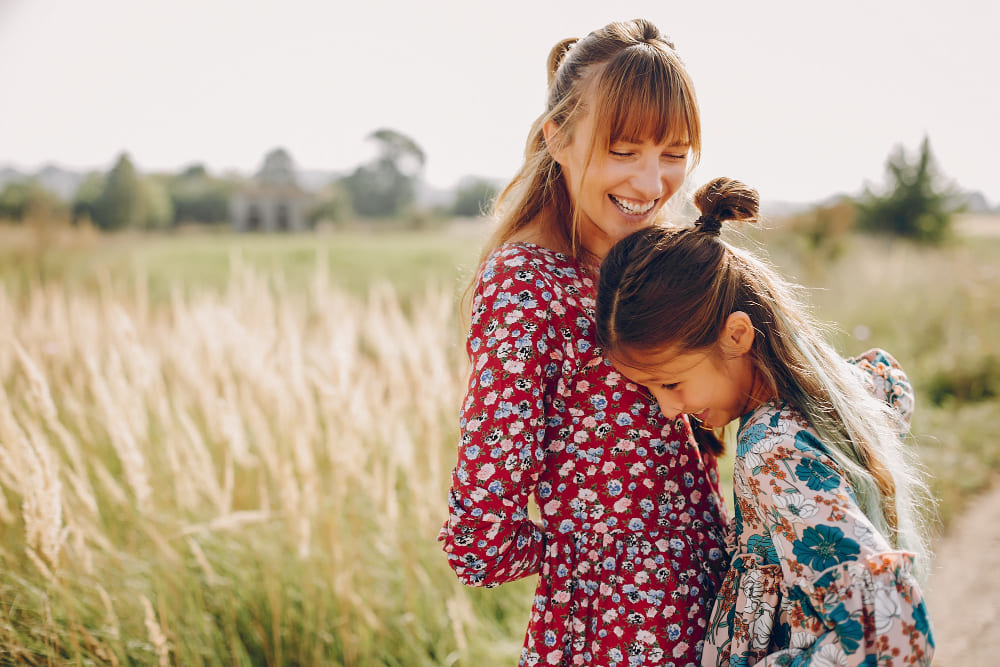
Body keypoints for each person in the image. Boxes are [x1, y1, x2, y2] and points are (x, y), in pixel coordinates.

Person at [438, 19, 731, 666]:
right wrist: (599, 555)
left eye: (674, 152)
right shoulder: (526, 286)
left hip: (717, 614)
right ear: (558, 138)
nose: (653, 184)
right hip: (620, 638)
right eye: (623, 151)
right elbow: (479, 537)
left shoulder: (653, 263)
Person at [594, 177, 936, 666]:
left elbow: (891, 630)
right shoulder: (831, 398)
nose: (668, 410)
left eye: (670, 384)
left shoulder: (772, 449)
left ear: (736, 335)